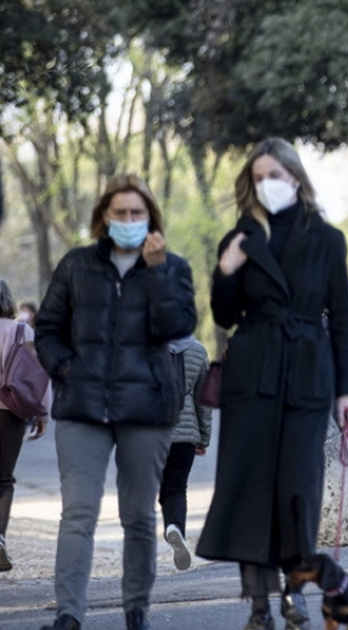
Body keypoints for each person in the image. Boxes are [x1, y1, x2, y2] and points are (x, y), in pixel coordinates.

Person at [195, 138, 348, 630]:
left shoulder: (328, 239)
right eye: (259, 176)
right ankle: (259, 603)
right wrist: (224, 274)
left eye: (276, 174)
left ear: (295, 178)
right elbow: (224, 315)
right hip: (254, 371)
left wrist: (347, 391)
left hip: (308, 372)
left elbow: (344, 320)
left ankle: (296, 590)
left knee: (298, 490)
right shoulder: (240, 238)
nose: (269, 183)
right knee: (251, 489)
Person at [34, 175, 197, 630]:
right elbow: (47, 329)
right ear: (104, 216)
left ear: (151, 218)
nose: (128, 220)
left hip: (147, 410)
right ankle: (69, 615)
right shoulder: (76, 265)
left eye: (137, 213)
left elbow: (177, 328)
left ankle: (136, 611)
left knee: (140, 516)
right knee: (78, 513)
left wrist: (159, 270)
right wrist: (66, 369)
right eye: (120, 213)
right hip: (83, 407)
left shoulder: (173, 268)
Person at [0, 278, 51, 572]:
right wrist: (42, 413)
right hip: (11, 412)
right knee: (4, 478)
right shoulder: (23, 330)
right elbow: (38, 373)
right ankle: (0, 537)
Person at [158, 335, 212, 571]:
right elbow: (204, 400)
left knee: (147, 489)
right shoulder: (198, 351)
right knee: (176, 488)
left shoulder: (144, 345)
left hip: (151, 433)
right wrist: (203, 437)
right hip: (185, 435)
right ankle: (175, 526)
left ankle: (139, 549)